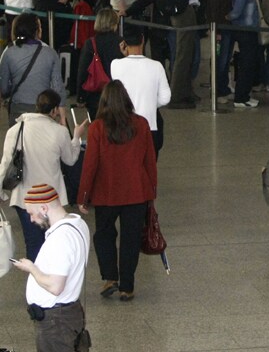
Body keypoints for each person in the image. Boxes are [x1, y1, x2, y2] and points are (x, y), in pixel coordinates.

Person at [78, 80, 158, 302]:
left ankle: (110, 277)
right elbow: (149, 161)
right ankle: (127, 287)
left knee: (103, 234)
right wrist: (152, 192)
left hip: (106, 193)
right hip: (136, 192)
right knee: (131, 238)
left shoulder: (97, 128)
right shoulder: (141, 125)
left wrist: (83, 195)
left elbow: (90, 165)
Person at [0, 90, 86, 261]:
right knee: (53, 243)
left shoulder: (16, 130)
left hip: (24, 199)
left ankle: (35, 281)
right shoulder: (60, 132)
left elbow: (5, 164)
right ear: (54, 110)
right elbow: (70, 161)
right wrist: (76, 137)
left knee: (33, 245)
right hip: (52, 199)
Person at [11, 183, 91, 351]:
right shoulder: (78, 224)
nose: (31, 219)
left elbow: (55, 286)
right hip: (69, 313)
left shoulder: (60, 238)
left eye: (32, 214)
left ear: (44, 208)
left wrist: (31, 268)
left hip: (56, 322)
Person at [110, 24, 171, 156]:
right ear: (143, 40)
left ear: (124, 43)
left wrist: (124, 55)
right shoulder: (157, 66)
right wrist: (149, 101)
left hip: (125, 126)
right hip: (150, 126)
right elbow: (166, 98)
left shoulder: (115, 65)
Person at [0, 13, 67, 127]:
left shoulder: (9, 53)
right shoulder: (50, 53)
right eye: (39, 27)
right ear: (35, 31)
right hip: (44, 110)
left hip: (18, 110)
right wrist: (63, 118)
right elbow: (58, 88)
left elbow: (4, 88)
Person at [167, 0, 206, 109]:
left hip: (186, 11)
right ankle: (176, 96)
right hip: (183, 12)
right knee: (183, 53)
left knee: (188, 52)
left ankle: (185, 91)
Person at [76, 8, 124, 120]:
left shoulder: (90, 43)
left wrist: (81, 97)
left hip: (95, 95)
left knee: (97, 127)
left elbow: (82, 71)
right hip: (116, 93)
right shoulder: (121, 42)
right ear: (114, 24)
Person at [230, 0, 262, 108]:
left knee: (250, 64)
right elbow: (237, 11)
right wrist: (228, 18)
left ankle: (245, 95)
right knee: (246, 64)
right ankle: (240, 97)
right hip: (245, 31)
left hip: (250, 29)